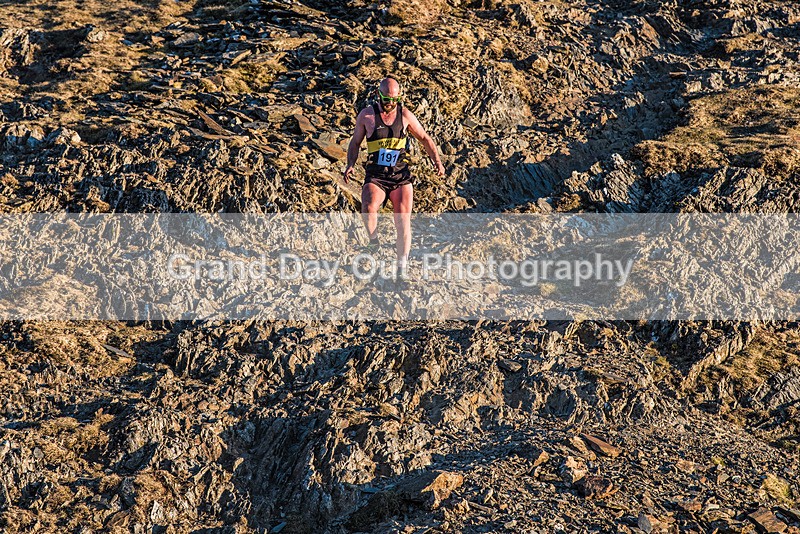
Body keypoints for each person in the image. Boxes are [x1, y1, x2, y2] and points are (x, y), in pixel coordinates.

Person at [343, 77, 446, 277]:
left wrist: (437, 162)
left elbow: (425, 138)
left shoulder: (405, 115)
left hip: (400, 175)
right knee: (369, 205)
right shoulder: (367, 116)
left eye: (394, 100)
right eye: (386, 99)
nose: (390, 104)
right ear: (378, 95)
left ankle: (402, 267)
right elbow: (355, 142)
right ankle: (374, 242)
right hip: (377, 175)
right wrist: (350, 164)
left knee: (402, 220)